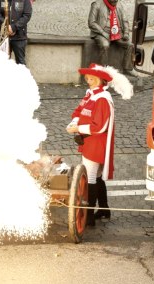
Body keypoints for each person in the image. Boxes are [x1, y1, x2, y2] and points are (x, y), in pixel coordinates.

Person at [66, 63, 116, 226]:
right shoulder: (91, 95)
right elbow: (79, 111)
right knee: (97, 177)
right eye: (87, 78)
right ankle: (103, 209)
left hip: (96, 142)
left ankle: (88, 217)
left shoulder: (102, 99)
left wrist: (78, 128)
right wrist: (74, 123)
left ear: (101, 80)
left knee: (91, 177)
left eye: (92, 78)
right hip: (89, 140)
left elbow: (100, 126)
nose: (89, 81)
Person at [88, 0, 136, 77]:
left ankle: (127, 69)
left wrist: (126, 34)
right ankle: (104, 70)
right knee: (105, 45)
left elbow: (125, 21)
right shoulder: (96, 4)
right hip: (101, 32)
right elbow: (91, 22)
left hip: (116, 33)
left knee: (129, 45)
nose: (115, 1)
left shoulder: (119, 5)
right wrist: (103, 33)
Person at [0, 0, 32, 65]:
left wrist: (13, 27)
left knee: (20, 63)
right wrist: (6, 26)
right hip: (4, 36)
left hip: (19, 36)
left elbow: (27, 15)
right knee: (2, 62)